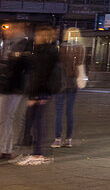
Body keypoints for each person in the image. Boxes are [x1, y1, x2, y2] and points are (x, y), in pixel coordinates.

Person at [15, 27, 61, 165]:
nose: (35, 37)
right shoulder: (45, 51)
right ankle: (35, 152)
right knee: (33, 121)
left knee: (37, 122)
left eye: (38, 35)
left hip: (40, 92)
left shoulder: (46, 52)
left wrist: (35, 96)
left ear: (44, 36)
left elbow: (40, 75)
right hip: (41, 91)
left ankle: (37, 154)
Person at [52, 28, 86, 149]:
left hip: (61, 82)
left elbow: (58, 65)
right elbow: (80, 66)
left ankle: (57, 139)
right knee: (69, 112)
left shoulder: (61, 48)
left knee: (59, 111)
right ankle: (68, 139)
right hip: (73, 83)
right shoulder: (81, 48)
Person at [0, 25, 30, 160]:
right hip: (12, 86)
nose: (5, 31)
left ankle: (4, 148)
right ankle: (6, 149)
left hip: (10, 87)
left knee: (5, 118)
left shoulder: (19, 46)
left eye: (8, 29)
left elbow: (15, 68)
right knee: (7, 118)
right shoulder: (12, 45)